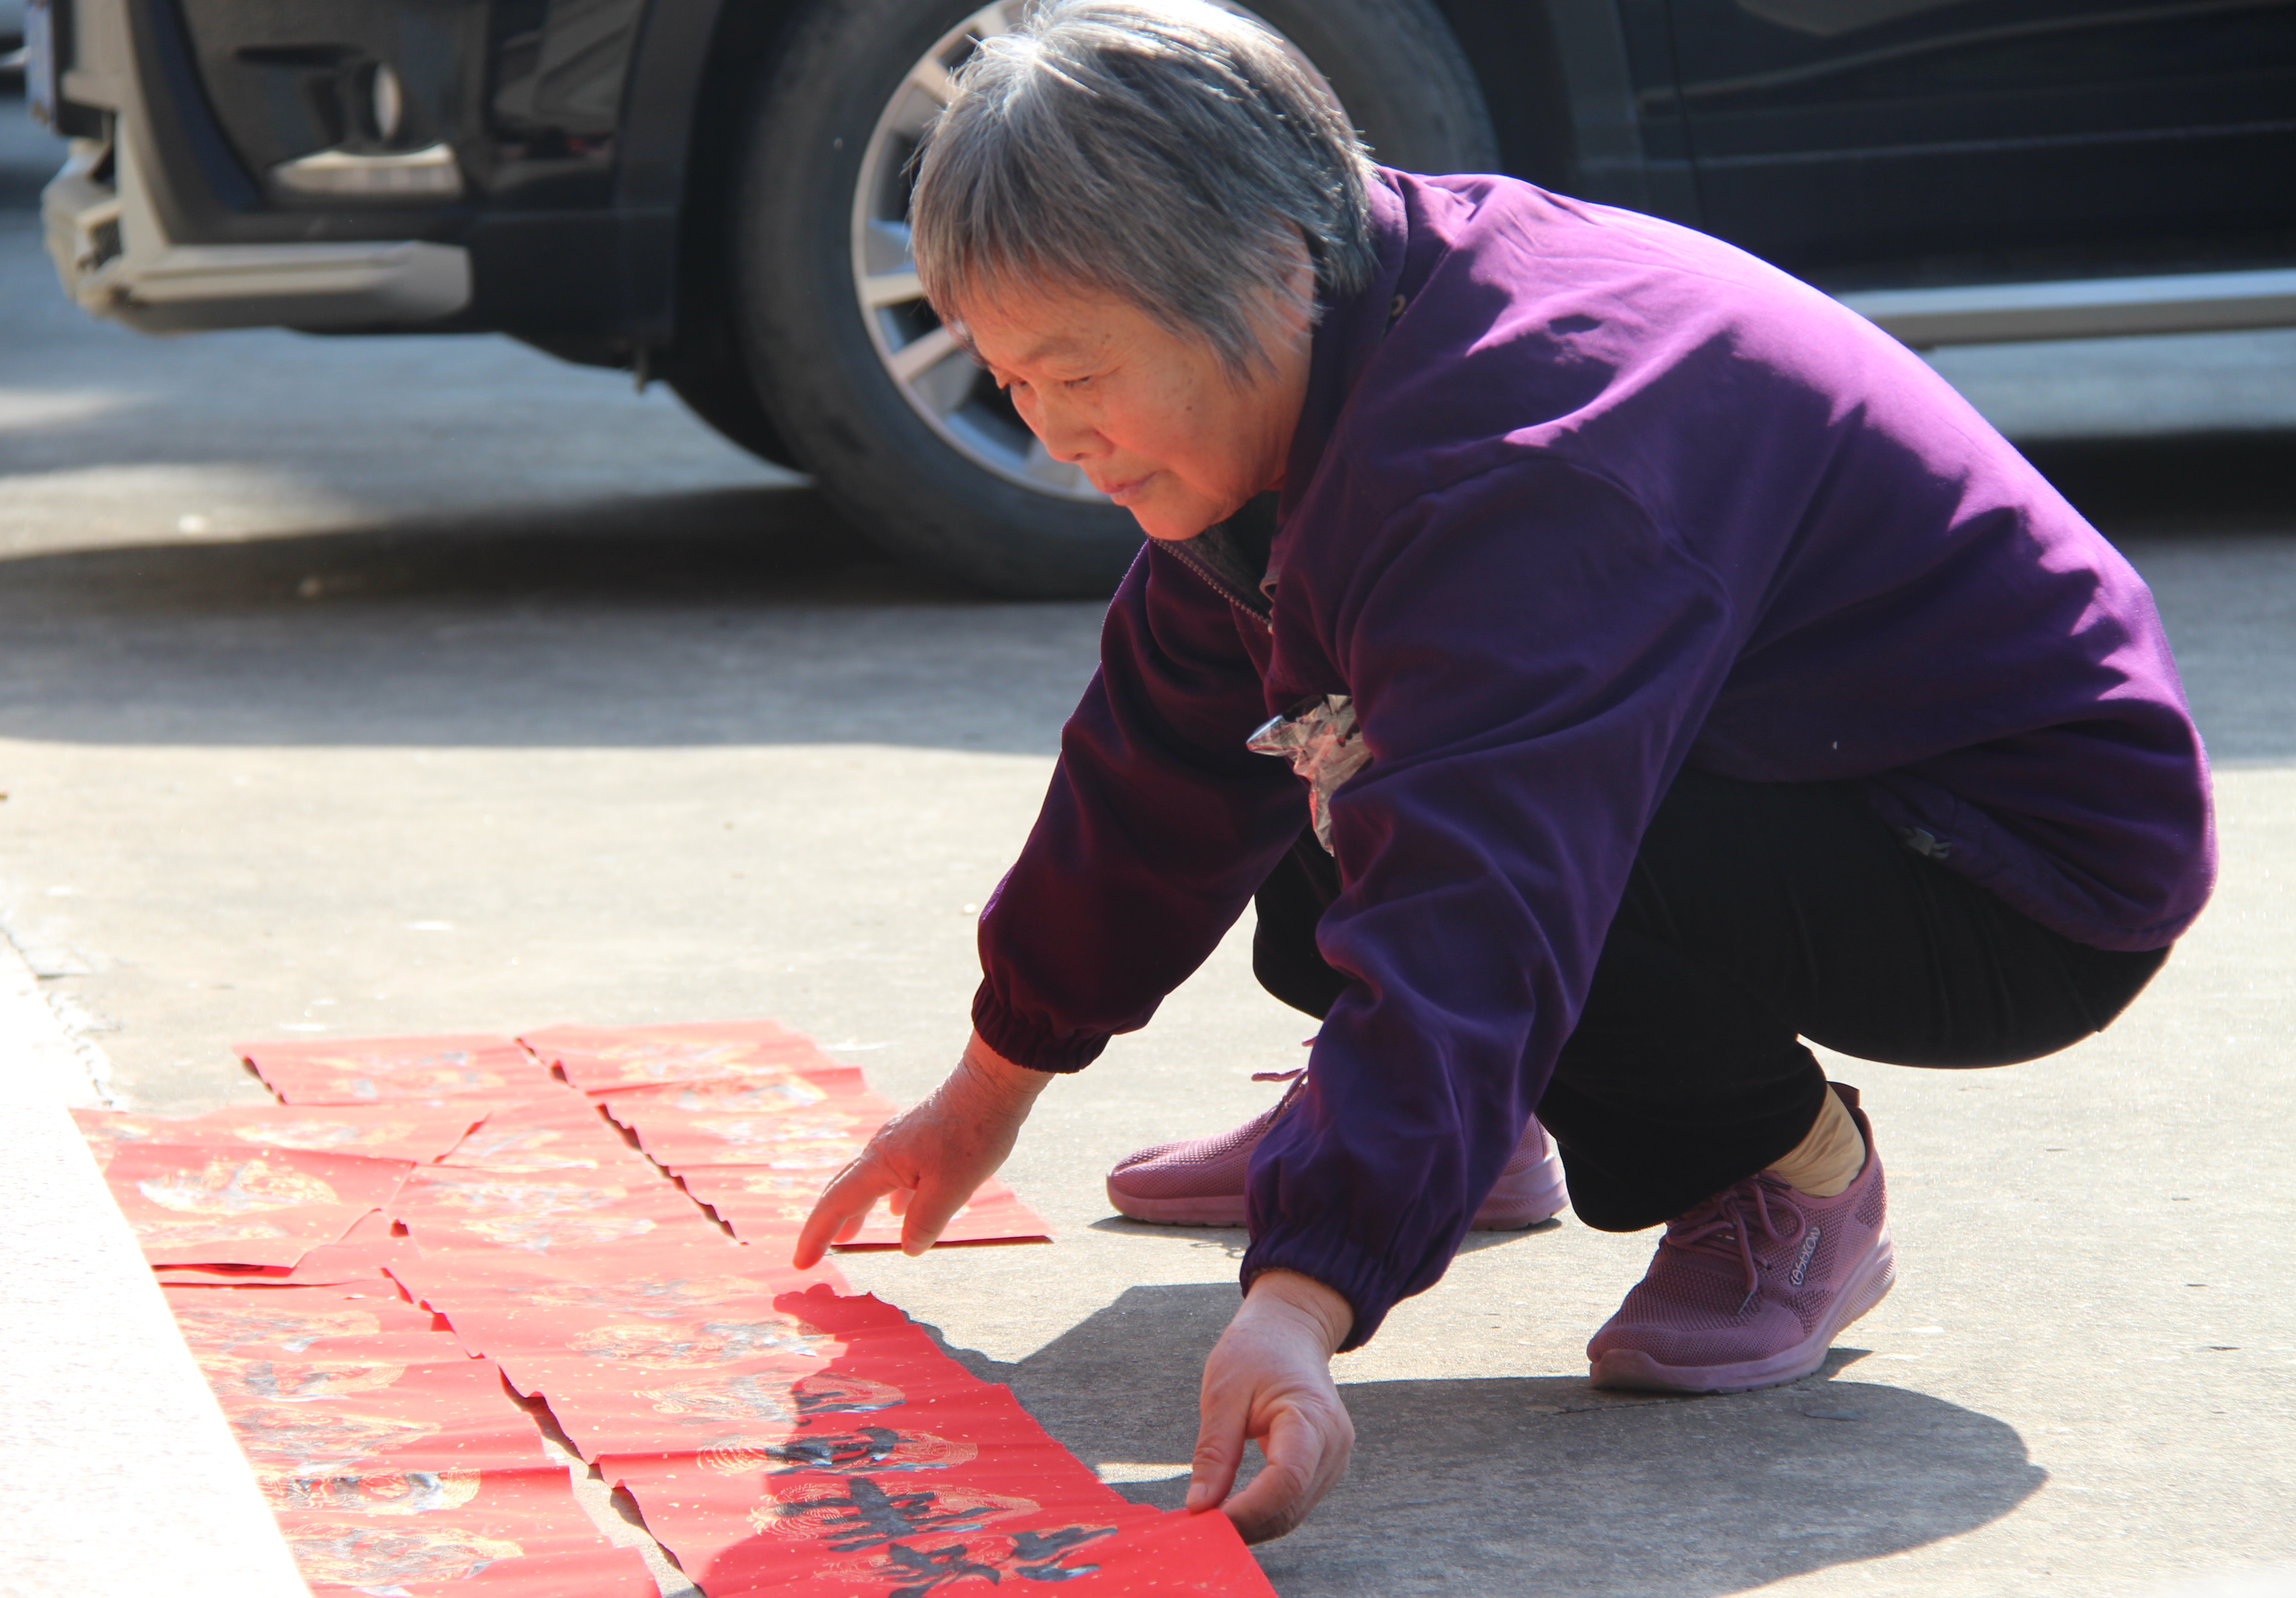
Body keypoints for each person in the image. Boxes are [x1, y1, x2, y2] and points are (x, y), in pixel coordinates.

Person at [794, 0, 2214, 1545]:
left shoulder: (1521, 459)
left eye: (1082, 374)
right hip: (1764, 755)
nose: (1059, 434)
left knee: (1388, 795)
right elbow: (1153, 766)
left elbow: (1483, 892)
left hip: (2008, 868)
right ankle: (1460, 1132)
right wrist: (991, 1085)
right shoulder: (1329, 330)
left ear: (1270, 269)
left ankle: (1786, 1173)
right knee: (1289, 727)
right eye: (1013, 382)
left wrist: (1311, 1288)